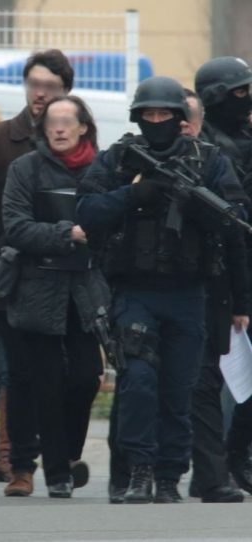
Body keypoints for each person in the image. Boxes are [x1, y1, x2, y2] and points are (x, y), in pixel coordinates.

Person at [76, 75, 248, 504]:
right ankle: (139, 471)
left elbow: (233, 223)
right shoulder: (118, 159)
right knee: (137, 383)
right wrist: (137, 194)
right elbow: (88, 210)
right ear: (138, 117)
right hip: (134, 290)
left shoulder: (208, 161)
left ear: (178, 119)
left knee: (179, 389)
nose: (156, 121)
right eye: (148, 115)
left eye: (164, 115)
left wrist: (194, 204)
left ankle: (170, 476)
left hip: (189, 292)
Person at [0, 49, 75, 493]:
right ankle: (21, 465)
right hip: (11, 276)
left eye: (50, 88)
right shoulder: (0, 140)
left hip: (67, 277)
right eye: (34, 85)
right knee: (19, 372)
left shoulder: (77, 137)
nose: (41, 95)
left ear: (65, 92)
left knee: (71, 373)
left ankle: (65, 456)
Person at [0, 95, 106, 498]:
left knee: (85, 377)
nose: (59, 129)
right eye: (52, 124)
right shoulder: (24, 168)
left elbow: (113, 221)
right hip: (36, 285)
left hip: (84, 287)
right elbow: (16, 226)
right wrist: (69, 234)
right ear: (43, 131)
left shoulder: (101, 169)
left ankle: (69, 451)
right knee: (44, 380)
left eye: (67, 122)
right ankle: (57, 472)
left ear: (83, 128)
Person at [181, 87, 249, 504]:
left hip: (216, 284)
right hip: (166, 287)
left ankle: (215, 468)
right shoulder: (131, 159)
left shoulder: (218, 161)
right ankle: (150, 471)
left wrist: (240, 300)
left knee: (210, 381)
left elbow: (235, 227)